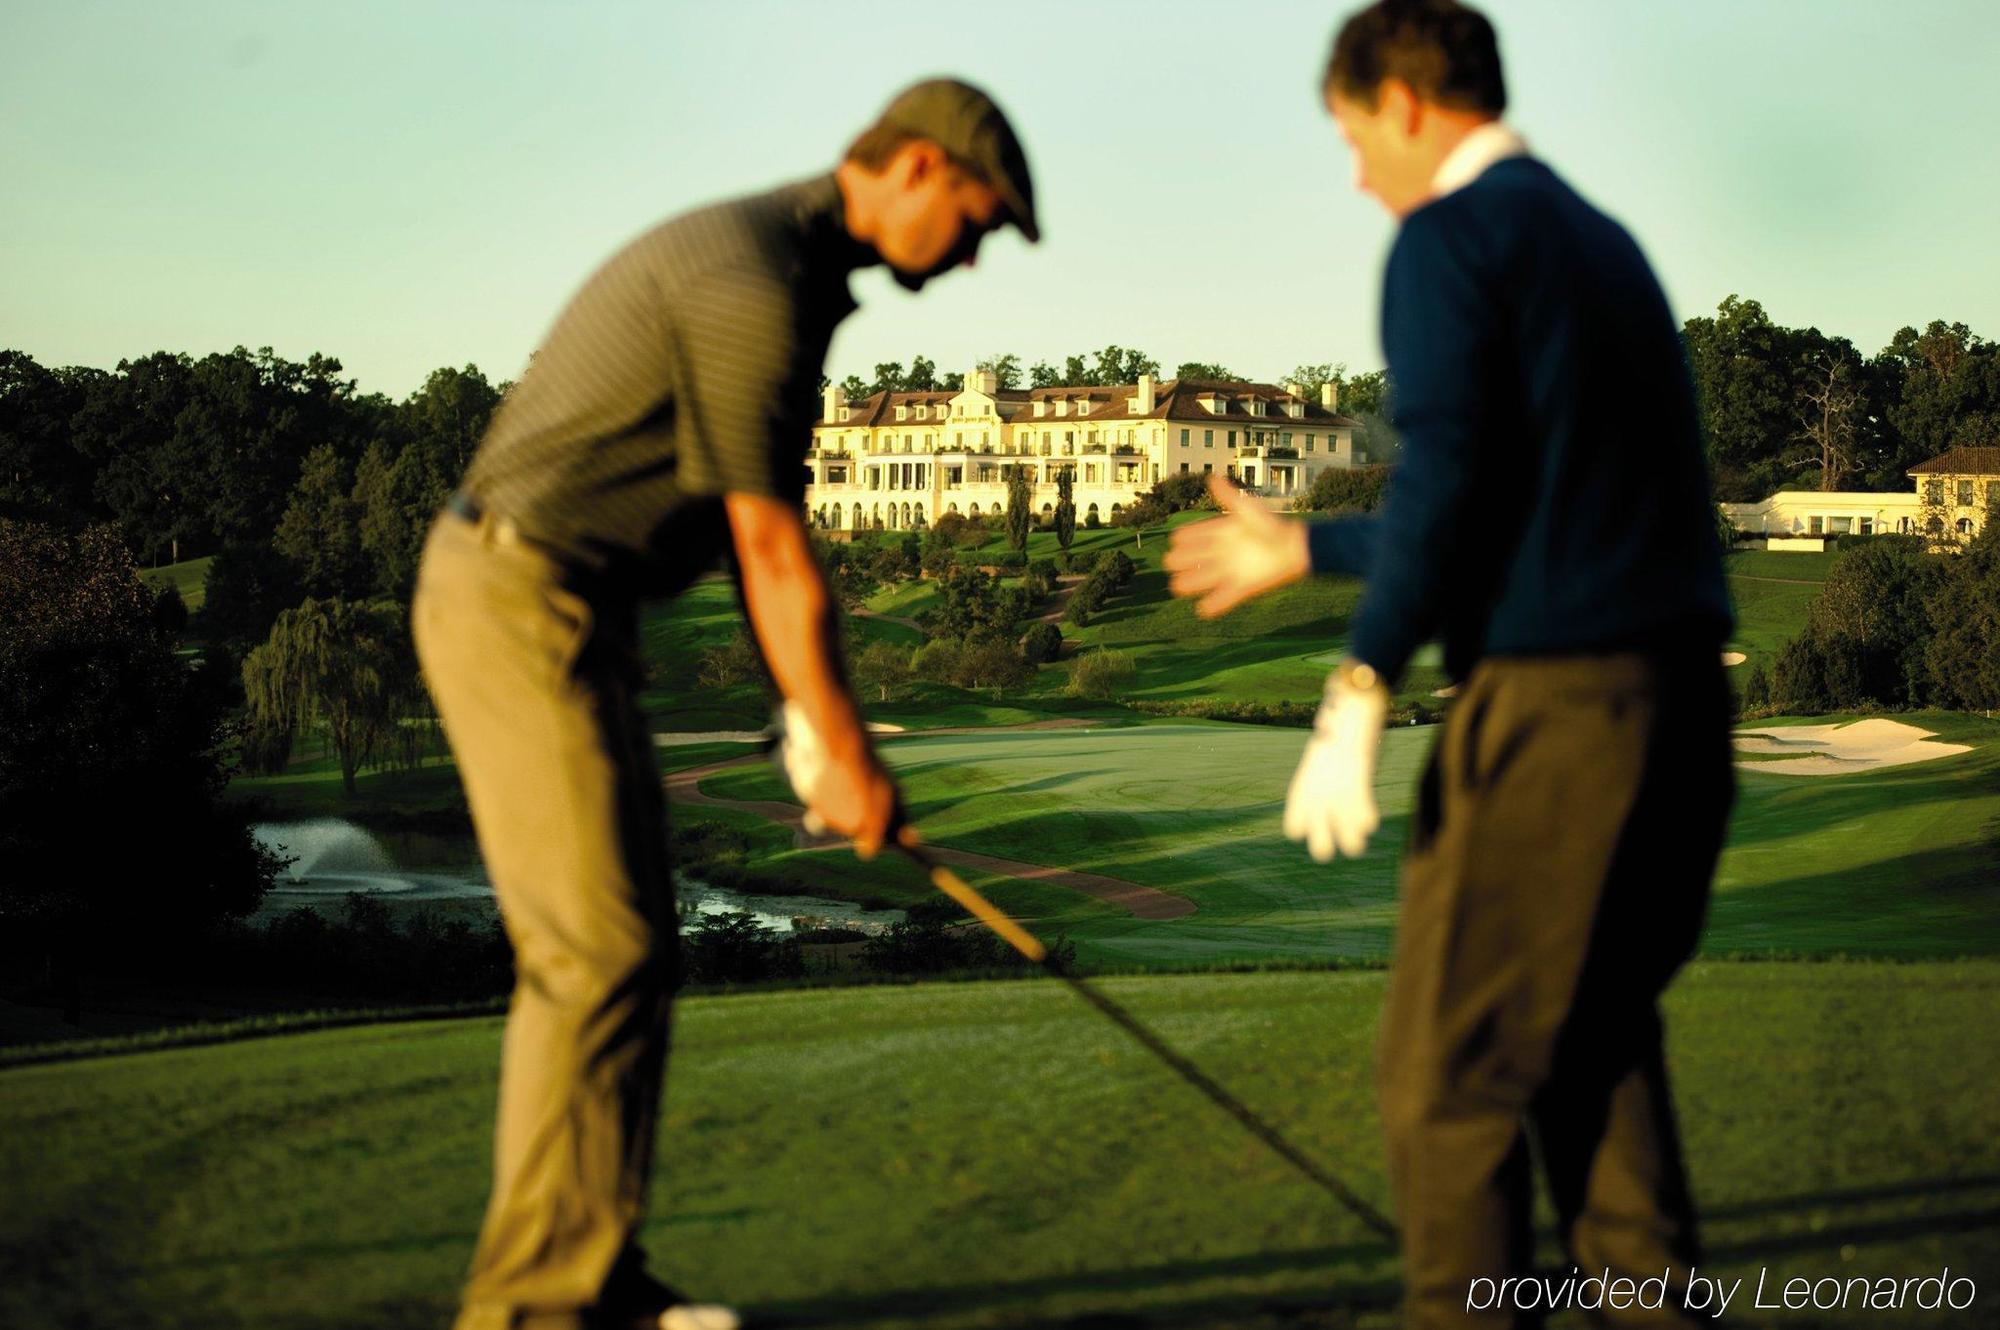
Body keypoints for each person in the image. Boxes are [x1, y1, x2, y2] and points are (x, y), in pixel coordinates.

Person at [411, 80, 1038, 1330]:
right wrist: (844, 746)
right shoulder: (750, 276)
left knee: (630, 945)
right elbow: (770, 551)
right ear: (915, 168)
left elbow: (757, 537)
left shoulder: (788, 270)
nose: (971, 254)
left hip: (566, 603)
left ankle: (593, 1275)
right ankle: (537, 1305)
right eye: (976, 217)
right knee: (596, 949)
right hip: (515, 591)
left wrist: (805, 719)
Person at [1163, 3, 1734, 1325]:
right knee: (1591, 1051)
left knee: (1451, 1083)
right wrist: (1311, 545)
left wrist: (1358, 684)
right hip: (1679, 708)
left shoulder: (1448, 240)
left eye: (1355, 135)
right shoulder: (1602, 243)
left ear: (1406, 102)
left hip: (1555, 715)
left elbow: (1450, 480)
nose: (1357, 173)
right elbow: (1507, 503)